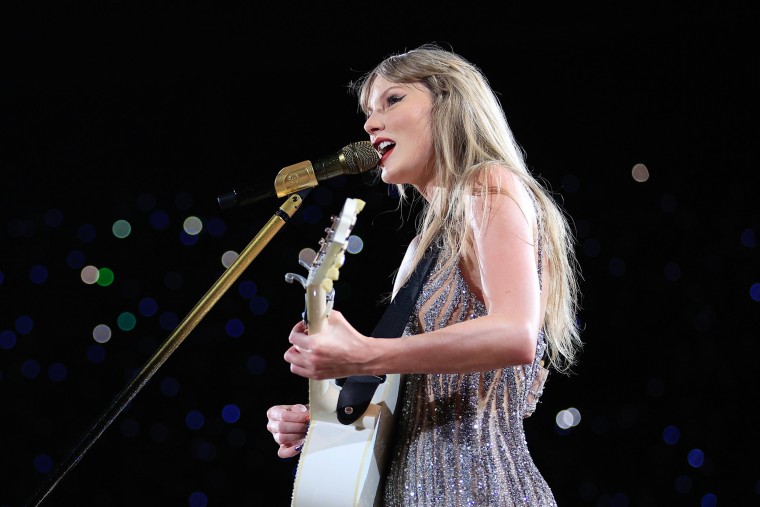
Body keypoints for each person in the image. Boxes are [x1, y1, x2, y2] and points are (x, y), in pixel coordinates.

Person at [265, 43, 583, 506]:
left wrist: (364, 353)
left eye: (392, 100)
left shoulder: (490, 183)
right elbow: (411, 397)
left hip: (480, 491)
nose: (371, 123)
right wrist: (327, 418)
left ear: (451, 103)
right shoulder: (422, 249)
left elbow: (516, 333)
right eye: (368, 111)